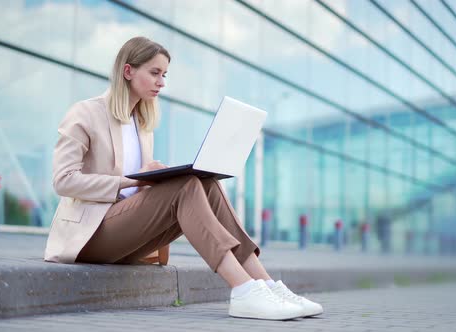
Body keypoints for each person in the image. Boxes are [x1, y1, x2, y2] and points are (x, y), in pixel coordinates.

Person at [44, 36, 323, 321]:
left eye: (164, 74)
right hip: (90, 236)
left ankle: (267, 285)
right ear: (128, 72)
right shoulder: (86, 113)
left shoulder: (141, 124)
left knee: (205, 183)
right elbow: (63, 181)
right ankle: (243, 290)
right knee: (187, 186)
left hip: (126, 234)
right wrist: (133, 180)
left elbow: (138, 186)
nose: (161, 82)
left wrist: (153, 177)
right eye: (154, 73)